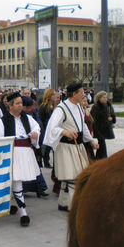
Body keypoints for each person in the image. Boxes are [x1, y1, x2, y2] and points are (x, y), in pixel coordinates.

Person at [43, 83, 99, 212]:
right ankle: (75, 206)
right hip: (66, 147)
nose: (83, 95)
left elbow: (82, 127)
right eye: (81, 92)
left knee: (72, 175)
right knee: (74, 176)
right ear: (74, 94)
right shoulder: (61, 109)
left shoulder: (79, 107)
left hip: (78, 146)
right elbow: (52, 128)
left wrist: (91, 141)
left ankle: (63, 203)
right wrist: (65, 132)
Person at [0, 92, 41, 227]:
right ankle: (23, 212)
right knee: (17, 182)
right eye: (17, 103)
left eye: (21, 103)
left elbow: (37, 128)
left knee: (18, 181)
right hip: (13, 154)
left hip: (26, 153)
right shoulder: (3, 121)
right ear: (10, 105)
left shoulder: (27, 118)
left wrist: (35, 134)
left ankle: (12, 204)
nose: (20, 106)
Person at [90, 91, 116, 159]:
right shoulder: (96, 107)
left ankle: (99, 157)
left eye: (106, 97)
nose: (105, 99)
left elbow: (113, 115)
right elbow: (93, 119)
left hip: (106, 127)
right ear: (99, 98)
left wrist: (112, 118)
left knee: (101, 142)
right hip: (99, 127)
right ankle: (103, 157)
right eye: (103, 97)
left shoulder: (108, 105)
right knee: (101, 142)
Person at [39, 88, 60, 168]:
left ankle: (48, 161)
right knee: (45, 147)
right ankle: (45, 161)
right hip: (45, 129)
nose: (55, 96)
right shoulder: (43, 106)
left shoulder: (55, 106)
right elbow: (41, 119)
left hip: (52, 129)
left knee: (50, 146)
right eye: (53, 94)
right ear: (49, 96)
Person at [81, 95, 95, 160]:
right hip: (83, 137)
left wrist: (92, 131)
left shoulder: (87, 110)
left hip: (88, 135)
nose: (86, 103)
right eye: (84, 101)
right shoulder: (80, 112)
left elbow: (90, 122)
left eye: (86, 101)